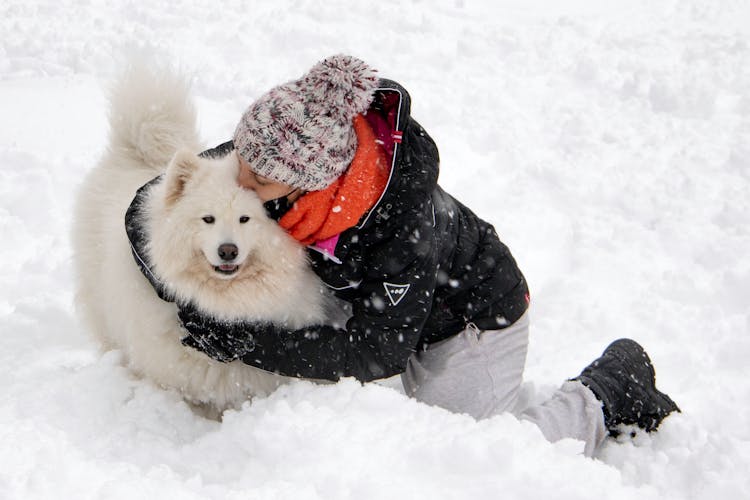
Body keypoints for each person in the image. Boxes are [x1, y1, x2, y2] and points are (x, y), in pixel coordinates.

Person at [127, 55, 679, 456]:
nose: (238, 181)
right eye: (241, 160)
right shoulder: (269, 158)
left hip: (469, 320)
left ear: (309, 184)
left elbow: (375, 357)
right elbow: (143, 209)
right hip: (378, 311)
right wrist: (175, 283)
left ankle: (605, 394)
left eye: (258, 178)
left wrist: (251, 342)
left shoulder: (397, 229)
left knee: (466, 450)